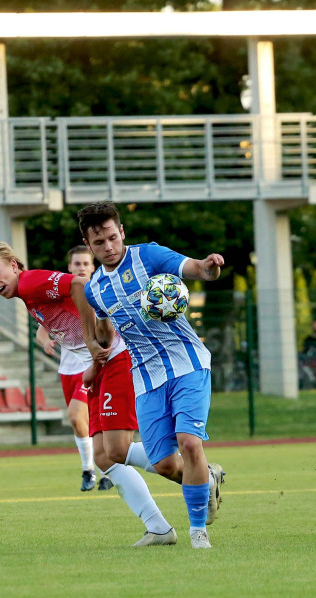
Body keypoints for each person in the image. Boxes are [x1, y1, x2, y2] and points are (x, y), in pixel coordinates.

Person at [0, 240, 178, 547]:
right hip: (100, 366)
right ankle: (158, 528)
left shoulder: (30, 282)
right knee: (103, 456)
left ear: (13, 265)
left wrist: (94, 347)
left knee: (116, 449)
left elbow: (80, 285)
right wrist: (91, 360)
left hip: (116, 359)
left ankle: (196, 473)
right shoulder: (27, 295)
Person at [73, 200, 225, 549]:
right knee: (164, 464)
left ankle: (198, 533)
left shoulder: (148, 256)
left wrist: (208, 267)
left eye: (113, 237)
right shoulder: (95, 289)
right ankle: (207, 479)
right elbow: (105, 332)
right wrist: (95, 343)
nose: (108, 247)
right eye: (99, 243)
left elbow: (194, 268)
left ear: (122, 231)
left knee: (189, 443)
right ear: (89, 244)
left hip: (187, 363)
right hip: (145, 377)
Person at [34, 245, 112, 492]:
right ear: (69, 267)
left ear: (93, 267)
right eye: (76, 264)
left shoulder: (98, 292)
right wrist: (46, 342)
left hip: (93, 365)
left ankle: (102, 469)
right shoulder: (60, 295)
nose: (81, 268)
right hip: (68, 368)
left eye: (85, 264)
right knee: (81, 423)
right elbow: (42, 328)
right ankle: (91, 469)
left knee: (77, 416)